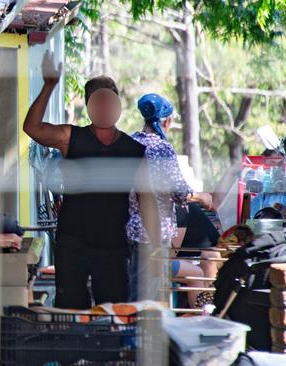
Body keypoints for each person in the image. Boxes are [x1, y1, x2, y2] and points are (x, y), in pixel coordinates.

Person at [23, 51, 159, 309]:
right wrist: (49, 85)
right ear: (90, 106)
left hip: (113, 246)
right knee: (71, 309)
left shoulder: (134, 150)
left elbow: (147, 200)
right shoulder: (69, 137)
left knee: (112, 312)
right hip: (72, 241)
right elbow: (32, 128)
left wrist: (155, 247)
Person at [127, 93, 213, 306]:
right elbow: (179, 192)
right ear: (166, 121)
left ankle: (128, 332)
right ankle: (140, 335)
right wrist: (202, 197)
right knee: (151, 292)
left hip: (129, 229)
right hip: (153, 233)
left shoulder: (129, 142)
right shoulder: (161, 149)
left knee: (135, 285)